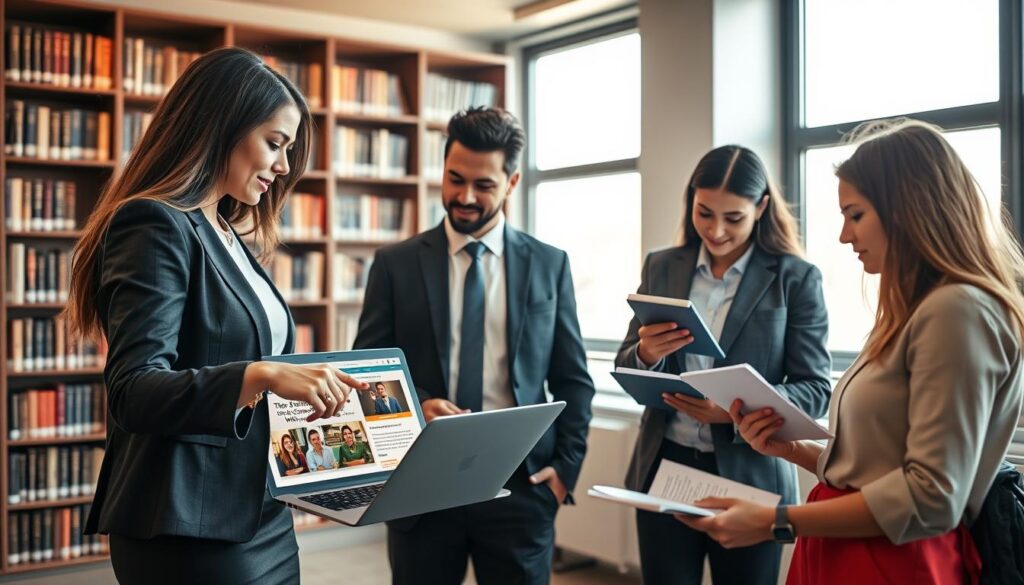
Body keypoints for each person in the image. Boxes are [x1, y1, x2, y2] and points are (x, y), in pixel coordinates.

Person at [64, 47, 367, 585]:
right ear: (220, 125)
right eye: (274, 144)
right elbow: (134, 389)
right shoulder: (155, 223)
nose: (283, 165)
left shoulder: (226, 230)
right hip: (189, 524)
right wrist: (262, 374)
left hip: (257, 510)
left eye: (289, 149)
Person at [682, 119, 1024, 584]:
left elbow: (931, 497)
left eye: (856, 214)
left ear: (909, 209)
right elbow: (876, 464)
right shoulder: (915, 310)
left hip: (894, 560)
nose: (845, 235)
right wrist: (792, 448)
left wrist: (774, 520)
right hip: (854, 549)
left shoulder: (956, 310)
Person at [353, 107, 595, 584]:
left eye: (483, 185)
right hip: (420, 483)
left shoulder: (550, 265)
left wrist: (565, 469)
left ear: (512, 182)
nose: (464, 197)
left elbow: (573, 378)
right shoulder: (394, 265)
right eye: (454, 179)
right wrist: (419, 404)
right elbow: (368, 371)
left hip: (522, 486)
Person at [615, 145, 832, 584]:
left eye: (733, 218)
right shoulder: (662, 266)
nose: (715, 231)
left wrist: (733, 410)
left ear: (762, 208)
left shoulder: (796, 277)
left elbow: (815, 390)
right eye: (704, 212)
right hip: (665, 465)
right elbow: (626, 363)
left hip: (751, 473)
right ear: (691, 200)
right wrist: (648, 354)